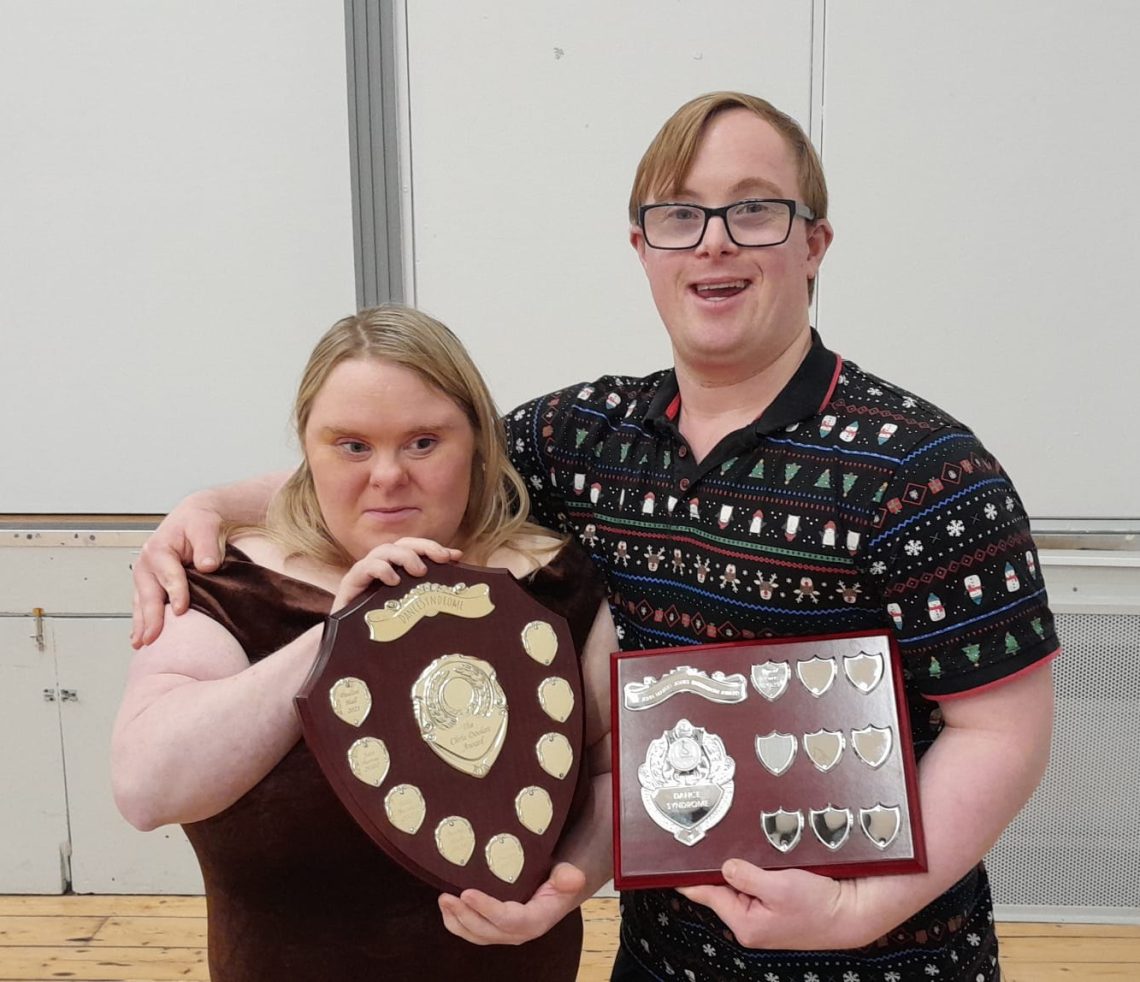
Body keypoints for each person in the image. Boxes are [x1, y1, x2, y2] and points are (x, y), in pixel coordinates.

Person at [131, 92, 1057, 981]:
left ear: (815, 243)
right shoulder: (586, 437)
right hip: (661, 959)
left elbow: (1003, 734)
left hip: (882, 960)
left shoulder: (925, 469)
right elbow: (416, 464)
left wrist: (858, 914)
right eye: (680, 216)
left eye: (755, 211)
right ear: (642, 248)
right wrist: (212, 504)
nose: (715, 242)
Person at [112, 305, 618, 982]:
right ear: (308, 450)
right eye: (352, 446)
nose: (387, 476)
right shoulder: (229, 582)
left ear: (475, 441)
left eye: (423, 442)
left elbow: (620, 773)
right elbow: (147, 790)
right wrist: (341, 636)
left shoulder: (558, 581)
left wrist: (567, 890)